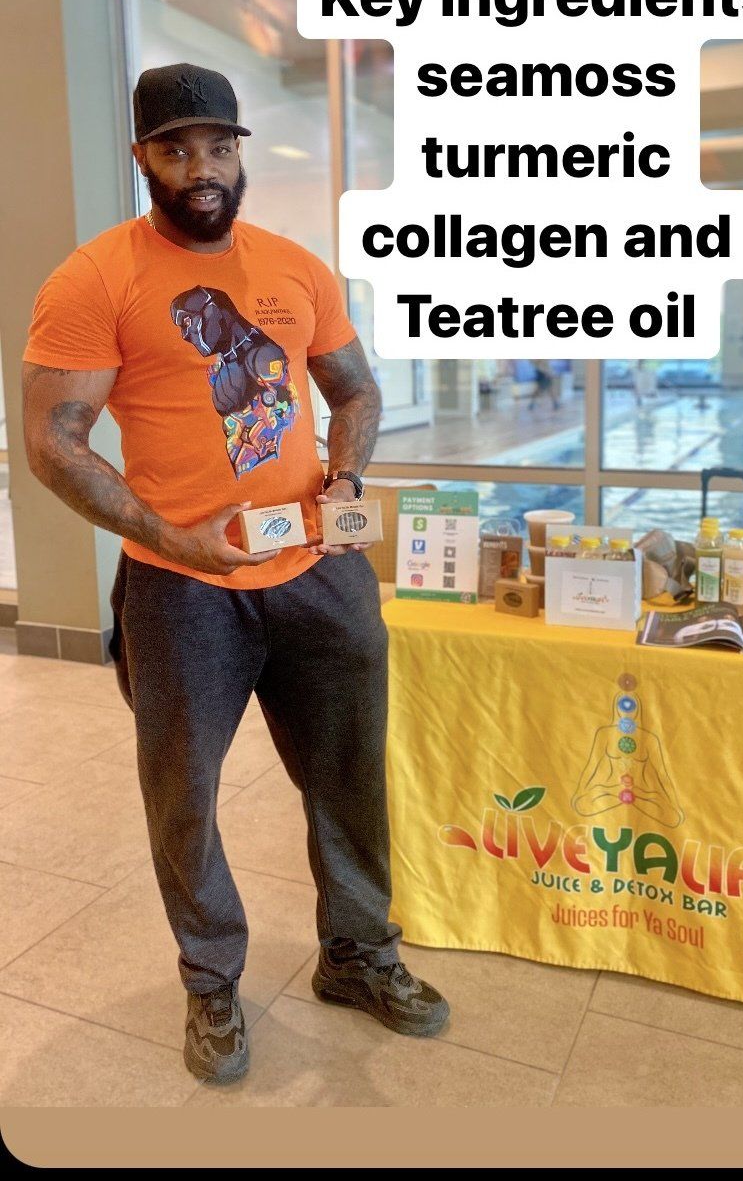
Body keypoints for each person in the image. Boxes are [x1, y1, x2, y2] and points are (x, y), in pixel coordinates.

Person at [21, 62, 449, 1086]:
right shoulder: (95, 278)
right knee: (185, 797)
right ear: (143, 157)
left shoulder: (295, 269)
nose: (200, 168)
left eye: (217, 146)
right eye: (175, 150)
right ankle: (211, 979)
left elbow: (353, 390)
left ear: (238, 151)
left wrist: (345, 478)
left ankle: (358, 954)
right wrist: (174, 540)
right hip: (180, 592)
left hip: (319, 574)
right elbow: (52, 443)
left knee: (348, 776)